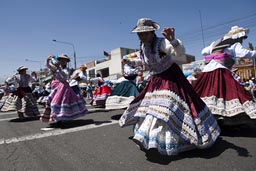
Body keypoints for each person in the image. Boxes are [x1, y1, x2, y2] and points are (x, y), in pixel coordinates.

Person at [119, 18, 220, 156]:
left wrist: (173, 40)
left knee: (168, 108)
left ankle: (182, 138)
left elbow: (178, 53)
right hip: (156, 80)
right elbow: (145, 64)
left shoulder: (162, 43)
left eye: (146, 33)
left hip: (171, 78)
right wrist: (129, 61)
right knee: (153, 109)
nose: (143, 36)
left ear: (152, 32)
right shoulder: (143, 47)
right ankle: (155, 139)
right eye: (140, 34)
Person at [193, 26, 256, 126]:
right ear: (239, 36)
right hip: (220, 70)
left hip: (207, 70)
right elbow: (243, 53)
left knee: (206, 92)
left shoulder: (216, 42)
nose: (243, 40)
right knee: (230, 92)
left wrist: (215, 52)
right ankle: (228, 117)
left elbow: (204, 51)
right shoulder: (235, 43)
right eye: (243, 38)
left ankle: (207, 115)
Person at [40, 54, 88, 123]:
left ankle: (61, 119)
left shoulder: (66, 69)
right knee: (52, 102)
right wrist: (48, 59)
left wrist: (58, 68)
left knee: (61, 103)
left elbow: (64, 75)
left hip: (64, 87)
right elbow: (48, 66)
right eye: (61, 59)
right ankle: (58, 118)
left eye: (64, 60)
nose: (62, 61)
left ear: (66, 61)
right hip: (56, 87)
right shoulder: (56, 67)